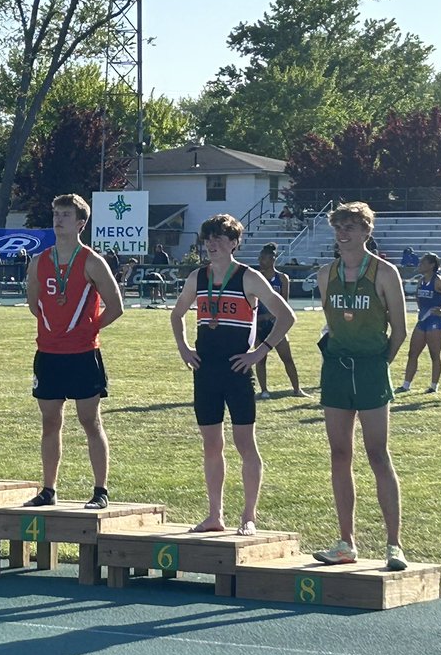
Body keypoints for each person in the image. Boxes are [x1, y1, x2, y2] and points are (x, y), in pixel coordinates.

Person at [171, 216, 296, 536]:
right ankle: (215, 515)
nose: (212, 245)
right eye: (208, 239)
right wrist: (184, 348)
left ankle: (249, 516)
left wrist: (260, 351)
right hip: (206, 371)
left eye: (220, 239)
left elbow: (286, 315)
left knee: (245, 444)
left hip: (238, 371)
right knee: (211, 445)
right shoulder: (197, 278)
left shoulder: (249, 278)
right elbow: (177, 314)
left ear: (235, 243)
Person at [312, 202, 408, 570]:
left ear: (367, 231)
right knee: (339, 454)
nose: (343, 233)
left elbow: (398, 330)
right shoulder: (326, 274)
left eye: (351, 226)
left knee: (377, 454)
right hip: (336, 367)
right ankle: (345, 542)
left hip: (370, 367)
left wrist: (380, 363)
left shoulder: (385, 273)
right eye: (339, 226)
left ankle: (393, 544)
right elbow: (332, 323)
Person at [23, 194, 124, 509]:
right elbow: (33, 304)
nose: (58, 219)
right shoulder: (39, 261)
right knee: (50, 421)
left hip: (83, 355)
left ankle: (100, 490)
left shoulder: (92, 261)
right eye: (56, 213)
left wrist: (89, 328)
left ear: (81, 223)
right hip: (49, 354)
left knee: (90, 420)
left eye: (66, 214)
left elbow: (116, 306)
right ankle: (49, 489)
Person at [396, 253, 441, 394]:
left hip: (435, 321)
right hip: (423, 320)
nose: (420, 265)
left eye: (423, 263)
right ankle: (406, 385)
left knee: (434, 354)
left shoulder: (438, 281)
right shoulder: (421, 281)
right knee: (413, 352)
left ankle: (433, 386)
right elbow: (418, 297)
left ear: (432, 265)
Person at [253, 243, 307, 399]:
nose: (261, 261)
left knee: (287, 358)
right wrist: (258, 320)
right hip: (260, 324)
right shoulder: (256, 278)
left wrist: (272, 316)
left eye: (264, 258)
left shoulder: (282, 278)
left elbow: (285, 303)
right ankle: (264, 390)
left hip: (276, 324)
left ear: (273, 259)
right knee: (260, 359)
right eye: (260, 257)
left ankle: (297, 389)